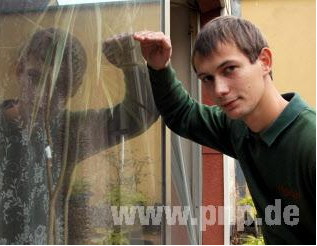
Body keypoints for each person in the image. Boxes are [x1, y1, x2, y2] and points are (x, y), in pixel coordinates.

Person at [0, 28, 159, 244]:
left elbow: (139, 117)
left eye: (61, 86)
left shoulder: (68, 131)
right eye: (35, 78)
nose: (45, 96)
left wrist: (132, 63)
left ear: (75, 88)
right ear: (19, 70)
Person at [133, 16, 316, 244]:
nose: (219, 89)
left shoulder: (310, 142)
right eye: (207, 78)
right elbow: (183, 114)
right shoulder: (239, 128)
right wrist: (159, 67)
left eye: (229, 69)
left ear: (265, 61)